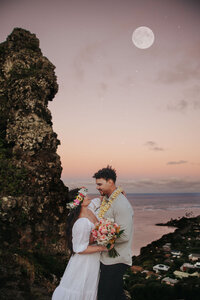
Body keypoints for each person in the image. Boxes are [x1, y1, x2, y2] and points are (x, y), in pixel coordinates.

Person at [52, 187, 108, 300]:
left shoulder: (87, 211)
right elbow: (79, 249)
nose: (89, 197)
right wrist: (102, 247)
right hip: (84, 263)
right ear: (80, 202)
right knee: (80, 287)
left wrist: (114, 193)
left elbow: (99, 200)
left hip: (91, 260)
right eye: (85, 196)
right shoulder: (82, 222)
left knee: (86, 288)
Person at [93, 166, 134, 300]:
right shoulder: (107, 199)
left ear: (110, 182)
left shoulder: (121, 204)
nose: (97, 187)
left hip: (117, 259)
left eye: (100, 184)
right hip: (107, 258)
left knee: (106, 296)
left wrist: (102, 239)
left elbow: (125, 235)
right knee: (115, 295)